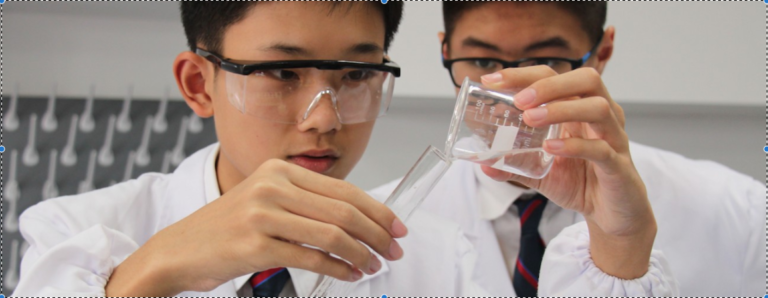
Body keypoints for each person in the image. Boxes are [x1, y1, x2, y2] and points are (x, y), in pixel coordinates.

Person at [13, 2, 489, 296]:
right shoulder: (73, 234)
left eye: (357, 75)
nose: (324, 118)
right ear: (199, 84)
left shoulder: (434, 257)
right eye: (283, 74)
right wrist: (155, 270)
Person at [372, 1, 765, 296]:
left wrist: (623, 252)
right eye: (482, 60)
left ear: (603, 52)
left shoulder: (740, 213)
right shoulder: (379, 224)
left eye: (546, 60)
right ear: (445, 51)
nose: (514, 95)